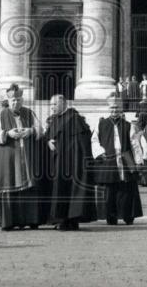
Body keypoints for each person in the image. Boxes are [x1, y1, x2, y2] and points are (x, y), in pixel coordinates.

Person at [0, 85, 45, 231]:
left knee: (29, 189)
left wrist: (31, 131)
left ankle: (31, 220)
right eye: (13, 100)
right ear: (8, 100)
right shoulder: (0, 115)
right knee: (9, 186)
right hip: (9, 158)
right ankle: (9, 222)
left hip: (26, 157)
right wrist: (8, 134)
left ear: (22, 99)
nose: (15, 103)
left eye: (18, 100)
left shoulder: (29, 113)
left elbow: (41, 130)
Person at [44, 95, 97, 230]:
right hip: (58, 161)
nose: (52, 107)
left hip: (72, 163)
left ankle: (70, 220)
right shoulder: (55, 119)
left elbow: (82, 143)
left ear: (63, 103)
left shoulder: (74, 118)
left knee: (70, 191)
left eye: (54, 104)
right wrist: (48, 141)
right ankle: (62, 219)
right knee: (60, 190)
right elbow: (48, 136)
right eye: (51, 105)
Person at [92, 95, 144, 226]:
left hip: (126, 159)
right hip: (108, 159)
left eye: (117, 108)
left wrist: (138, 160)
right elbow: (94, 141)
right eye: (112, 108)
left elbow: (135, 143)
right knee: (110, 190)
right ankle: (111, 216)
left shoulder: (128, 125)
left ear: (121, 109)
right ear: (109, 109)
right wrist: (100, 152)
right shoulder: (101, 124)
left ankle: (128, 215)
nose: (114, 110)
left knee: (127, 189)